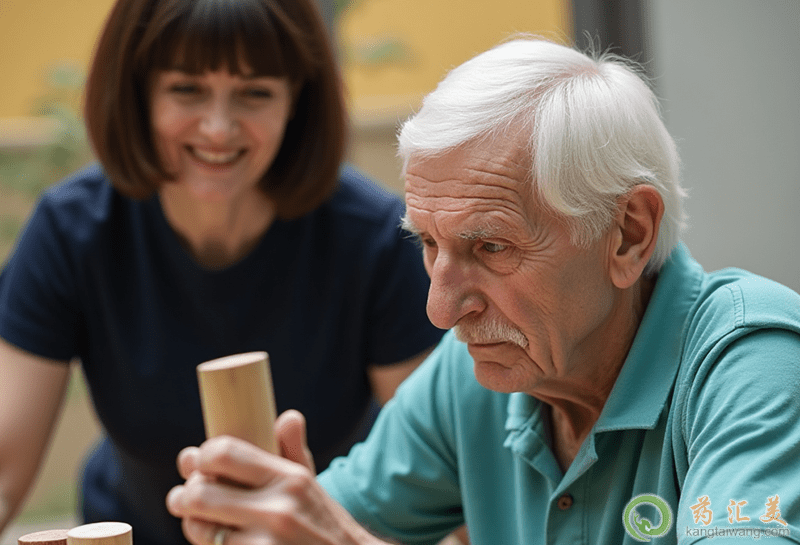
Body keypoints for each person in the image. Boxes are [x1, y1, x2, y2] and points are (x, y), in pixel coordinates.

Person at [166, 37, 800, 544]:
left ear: (629, 234)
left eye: (491, 248)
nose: (442, 311)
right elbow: (333, 520)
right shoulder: (473, 377)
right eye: (428, 245)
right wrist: (268, 520)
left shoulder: (752, 360)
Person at [0, 1, 443, 545]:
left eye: (255, 93)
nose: (217, 127)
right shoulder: (72, 229)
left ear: (295, 102)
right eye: (186, 88)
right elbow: (3, 469)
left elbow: (441, 484)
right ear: (140, 92)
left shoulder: (373, 238)